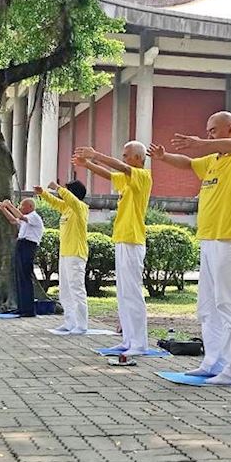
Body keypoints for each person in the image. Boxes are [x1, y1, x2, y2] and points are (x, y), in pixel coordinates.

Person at [148, 112, 231, 385]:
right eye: (207, 131)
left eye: (213, 130)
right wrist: (163, 157)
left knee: (229, 307)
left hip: (229, 241)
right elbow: (188, 163)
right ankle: (213, 362)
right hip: (209, 241)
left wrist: (201, 143)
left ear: (230, 128)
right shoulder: (212, 161)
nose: (209, 135)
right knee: (208, 307)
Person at [73, 142, 152, 355]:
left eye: (126, 155)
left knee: (133, 292)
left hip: (133, 240)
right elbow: (109, 175)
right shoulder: (127, 180)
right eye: (123, 155)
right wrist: (87, 164)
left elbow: (122, 168)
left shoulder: (143, 176)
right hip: (122, 239)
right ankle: (128, 340)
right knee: (123, 294)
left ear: (138, 158)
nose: (123, 158)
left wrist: (96, 155)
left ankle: (140, 343)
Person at [37, 180, 90, 335]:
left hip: (76, 254)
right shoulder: (67, 208)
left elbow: (71, 199)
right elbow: (55, 202)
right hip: (65, 254)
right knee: (65, 290)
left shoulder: (81, 208)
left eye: (67, 191)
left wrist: (57, 188)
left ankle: (81, 324)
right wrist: (42, 193)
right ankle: (69, 322)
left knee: (76, 289)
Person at [0, 197, 44, 317]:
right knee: (19, 277)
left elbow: (20, 216)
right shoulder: (26, 219)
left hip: (28, 245)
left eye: (22, 206)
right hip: (21, 244)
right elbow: (13, 220)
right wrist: (3, 209)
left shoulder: (33, 217)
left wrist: (10, 205)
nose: (20, 208)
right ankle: (21, 307)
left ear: (30, 207)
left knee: (25, 276)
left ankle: (28, 309)